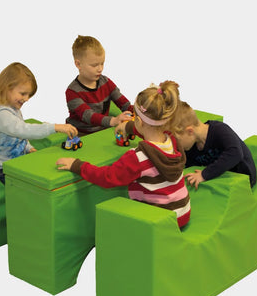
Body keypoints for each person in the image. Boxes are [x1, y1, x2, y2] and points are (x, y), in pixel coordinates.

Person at [57, 81, 191, 228]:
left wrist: (77, 165)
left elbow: (107, 177)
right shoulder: (173, 140)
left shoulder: (138, 157)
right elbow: (152, 132)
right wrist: (128, 127)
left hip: (159, 222)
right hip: (182, 214)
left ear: (138, 121)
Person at [0, 62, 77, 184]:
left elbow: (19, 137)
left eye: (29, 95)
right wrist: (54, 127)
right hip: (2, 169)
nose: (26, 99)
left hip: (16, 162)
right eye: (23, 94)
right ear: (7, 88)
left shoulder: (13, 108)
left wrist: (29, 148)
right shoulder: (2, 114)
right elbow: (23, 130)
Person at [171, 101, 257, 189]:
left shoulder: (220, 130)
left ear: (190, 131)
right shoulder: (191, 146)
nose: (176, 145)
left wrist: (204, 175)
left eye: (178, 140)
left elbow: (236, 153)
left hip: (243, 176)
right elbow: (188, 164)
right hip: (220, 176)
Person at [65, 35, 133, 135]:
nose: (100, 69)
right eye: (94, 65)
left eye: (102, 63)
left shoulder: (106, 82)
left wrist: (139, 111)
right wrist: (113, 120)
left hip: (104, 129)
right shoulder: (72, 92)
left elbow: (123, 103)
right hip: (81, 133)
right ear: (78, 64)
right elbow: (88, 116)